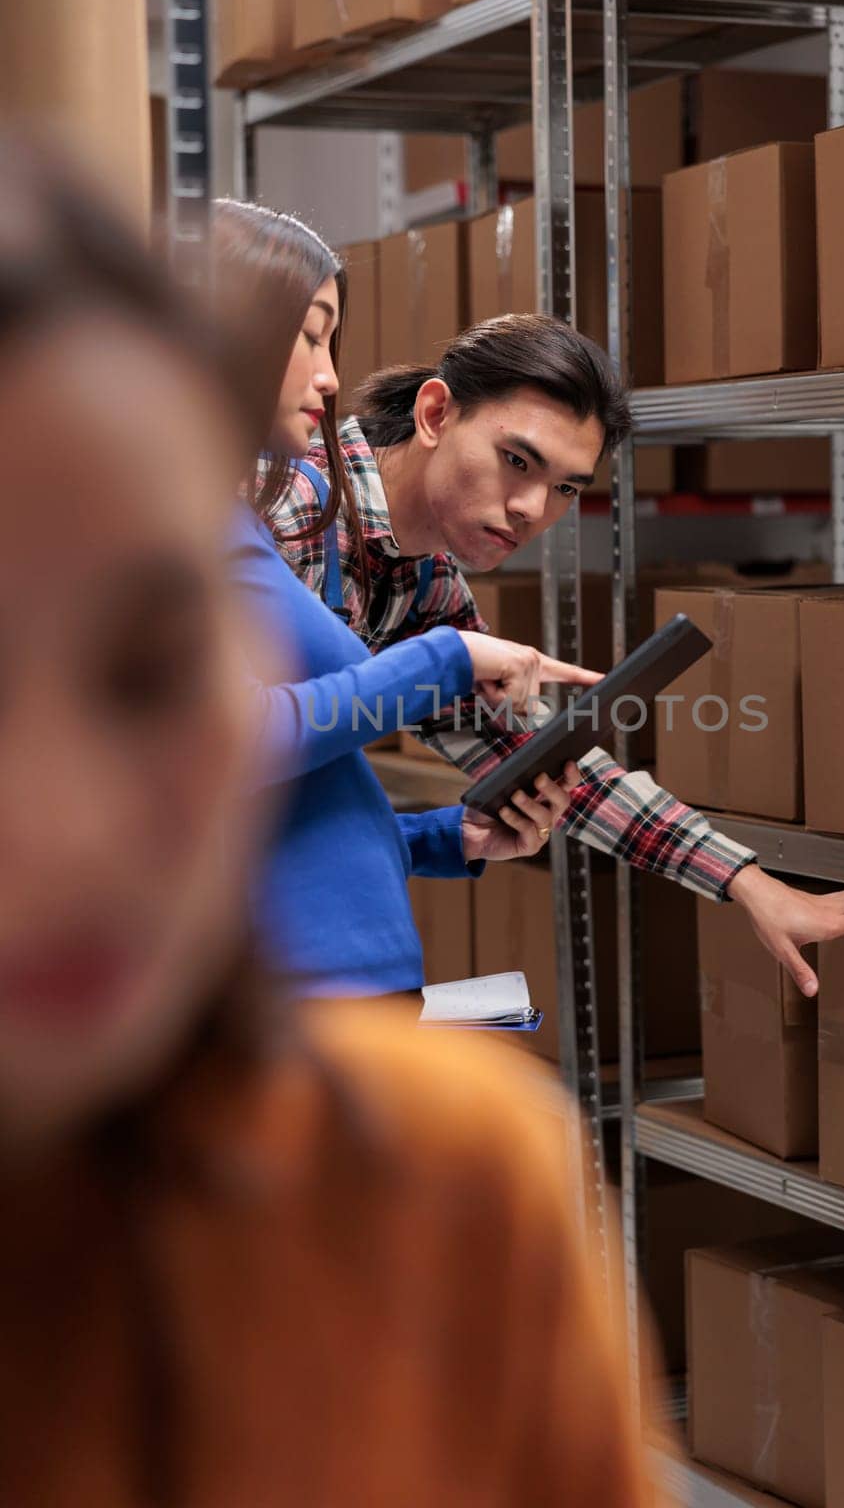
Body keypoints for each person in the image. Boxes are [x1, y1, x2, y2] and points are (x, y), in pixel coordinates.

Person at [0, 138, 660, 1507]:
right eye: (304, 338)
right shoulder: (299, 542)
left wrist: (442, 840)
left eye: (145, 675)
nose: (68, 827)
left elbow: (282, 782)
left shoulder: (460, 1181)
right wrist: (429, 676)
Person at [260, 297, 844, 992]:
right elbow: (204, 751)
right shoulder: (285, 509)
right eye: (516, 461)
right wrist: (444, 662)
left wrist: (748, 883)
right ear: (435, 414)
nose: (533, 510)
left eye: (564, 487)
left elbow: (541, 759)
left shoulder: (423, 586)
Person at [212, 203, 597, 993]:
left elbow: (296, 803)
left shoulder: (220, 517)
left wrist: (441, 839)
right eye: (311, 332)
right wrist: (445, 659)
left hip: (340, 988)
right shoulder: (221, 515)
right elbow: (223, 748)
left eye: (564, 488)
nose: (328, 374)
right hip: (281, 994)